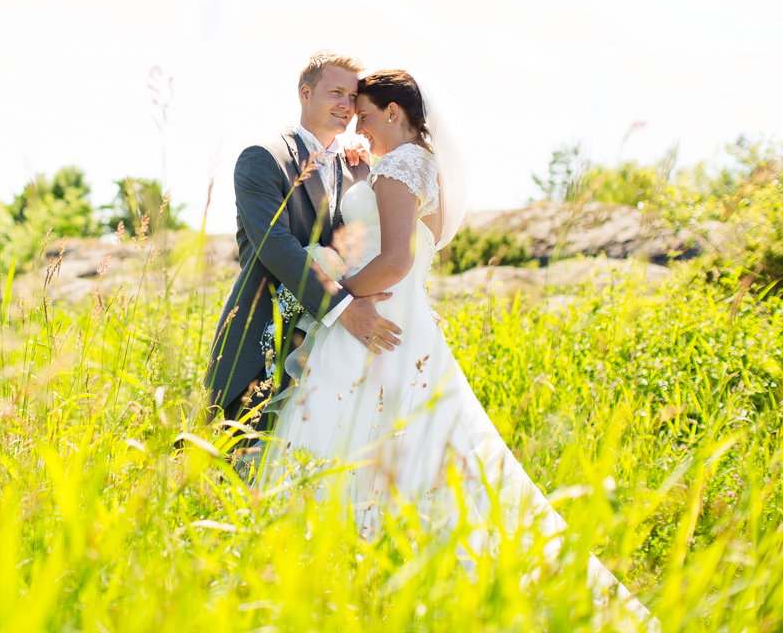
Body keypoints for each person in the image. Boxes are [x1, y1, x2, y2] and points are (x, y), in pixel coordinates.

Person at [263, 69, 655, 626]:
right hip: (399, 315)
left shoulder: (402, 164)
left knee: (356, 432)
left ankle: (340, 568)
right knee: (416, 437)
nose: (360, 126)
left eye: (368, 116)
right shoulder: (411, 164)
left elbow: (397, 260)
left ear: (394, 113)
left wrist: (332, 301)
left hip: (377, 320)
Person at [204, 51, 403, 438]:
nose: (346, 105)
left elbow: (366, 244)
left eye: (352, 97)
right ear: (305, 93)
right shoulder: (263, 158)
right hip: (264, 341)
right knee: (239, 466)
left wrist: (407, 303)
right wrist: (343, 307)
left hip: (330, 354)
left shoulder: (355, 168)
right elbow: (276, 246)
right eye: (335, 93)